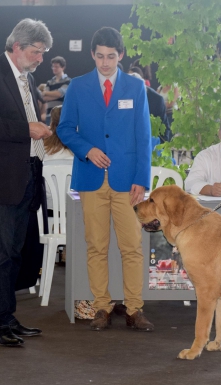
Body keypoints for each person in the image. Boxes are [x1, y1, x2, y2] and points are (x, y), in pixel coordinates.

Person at [58, 27, 154, 332]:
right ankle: (101, 307)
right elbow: (64, 129)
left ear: (121, 55)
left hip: (128, 183)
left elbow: (144, 136)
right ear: (92, 55)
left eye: (111, 56)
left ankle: (134, 309)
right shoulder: (77, 86)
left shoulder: (136, 88)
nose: (105, 62)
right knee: (96, 247)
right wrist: (87, 150)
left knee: (132, 248)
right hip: (91, 179)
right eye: (99, 56)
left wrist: (141, 178)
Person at [0, 18, 53, 347]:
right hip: (3, 178)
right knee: (1, 254)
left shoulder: (26, 79)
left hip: (26, 173)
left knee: (15, 254)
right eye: (37, 51)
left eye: (44, 52)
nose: (40, 58)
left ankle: (8, 316)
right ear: (17, 47)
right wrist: (27, 130)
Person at [129, 72, 172, 143]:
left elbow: (164, 130)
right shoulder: (119, 97)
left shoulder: (156, 100)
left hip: (151, 142)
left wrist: (158, 147)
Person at [43, 56, 70, 124]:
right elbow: (44, 98)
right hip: (49, 115)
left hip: (62, 115)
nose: (54, 68)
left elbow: (60, 93)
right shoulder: (49, 82)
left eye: (57, 67)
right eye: (53, 66)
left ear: (63, 67)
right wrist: (57, 95)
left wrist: (46, 92)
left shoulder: (68, 81)